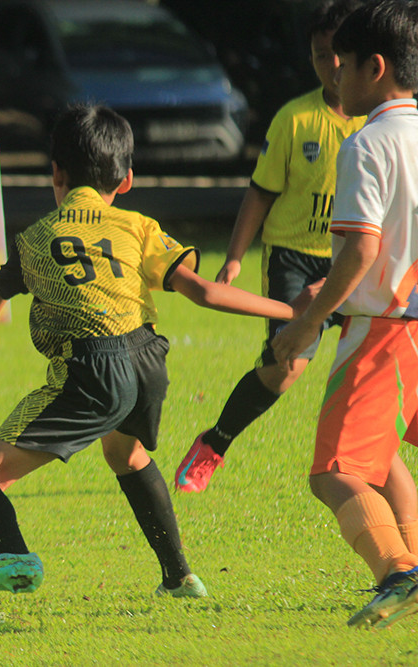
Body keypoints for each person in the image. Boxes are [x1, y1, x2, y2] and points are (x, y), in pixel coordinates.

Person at [0, 103, 304, 603]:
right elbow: (204, 292)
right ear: (126, 179)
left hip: (91, 368)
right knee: (126, 453)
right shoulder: (137, 227)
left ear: (56, 172)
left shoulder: (35, 238)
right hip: (148, 359)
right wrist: (292, 309)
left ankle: (15, 560)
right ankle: (180, 577)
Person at [174, 0, 365, 493]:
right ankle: (214, 443)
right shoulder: (294, 120)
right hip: (294, 258)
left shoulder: (381, 124)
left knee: (387, 361)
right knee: (285, 366)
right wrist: (236, 256)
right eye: (321, 56)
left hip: (359, 258)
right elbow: (260, 192)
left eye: (340, 55)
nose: (333, 66)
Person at [272, 0, 418, 629]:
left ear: (375, 69)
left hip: (383, 332)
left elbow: (361, 247)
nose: (333, 77)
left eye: (342, 65)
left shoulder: (367, 145)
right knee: (382, 455)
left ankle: (399, 571)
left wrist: (309, 319)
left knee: (335, 471)